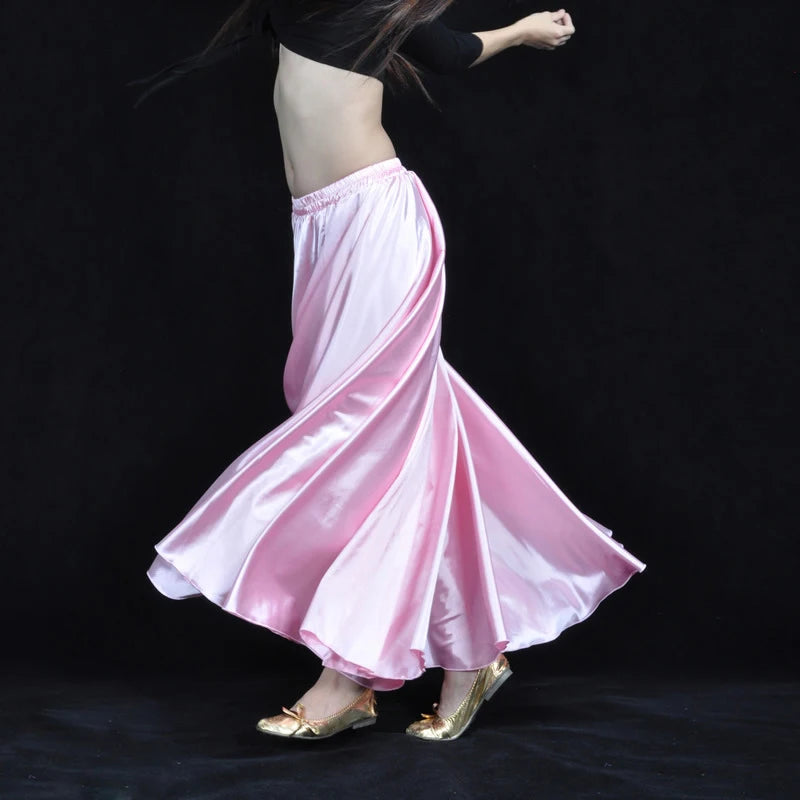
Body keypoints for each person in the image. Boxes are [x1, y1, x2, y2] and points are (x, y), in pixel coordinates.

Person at [132, 0, 646, 742]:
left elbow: (448, 51)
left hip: (378, 223)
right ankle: (473, 655)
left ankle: (345, 679)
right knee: (409, 438)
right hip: (321, 227)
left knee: (365, 439)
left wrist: (523, 31)